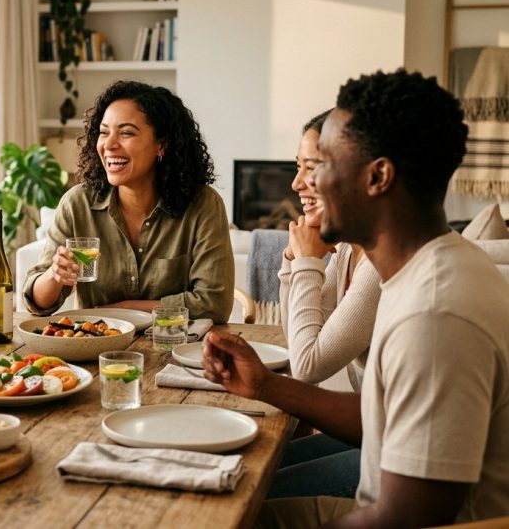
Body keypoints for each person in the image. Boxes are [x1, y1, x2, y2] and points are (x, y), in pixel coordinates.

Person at [203, 69, 509, 527]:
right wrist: (266, 385)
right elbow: (383, 414)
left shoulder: (434, 312)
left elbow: (410, 517)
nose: (303, 184)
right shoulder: (425, 268)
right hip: (383, 503)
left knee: (221, 513)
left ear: (377, 176)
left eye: (321, 163)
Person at [22, 80, 234, 321]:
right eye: (104, 132)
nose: (109, 145)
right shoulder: (77, 204)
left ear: (161, 145)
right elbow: (37, 303)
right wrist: (54, 275)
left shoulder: (203, 205)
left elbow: (214, 304)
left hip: (176, 349)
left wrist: (123, 309)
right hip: (95, 351)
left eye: (126, 133)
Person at [266, 110, 383, 499]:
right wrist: (293, 258)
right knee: (254, 465)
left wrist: (307, 262)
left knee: (255, 489)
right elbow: (299, 336)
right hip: (370, 428)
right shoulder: (351, 248)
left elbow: (307, 366)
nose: (297, 183)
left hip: (395, 451)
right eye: (297, 167)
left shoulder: (380, 266)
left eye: (310, 168)